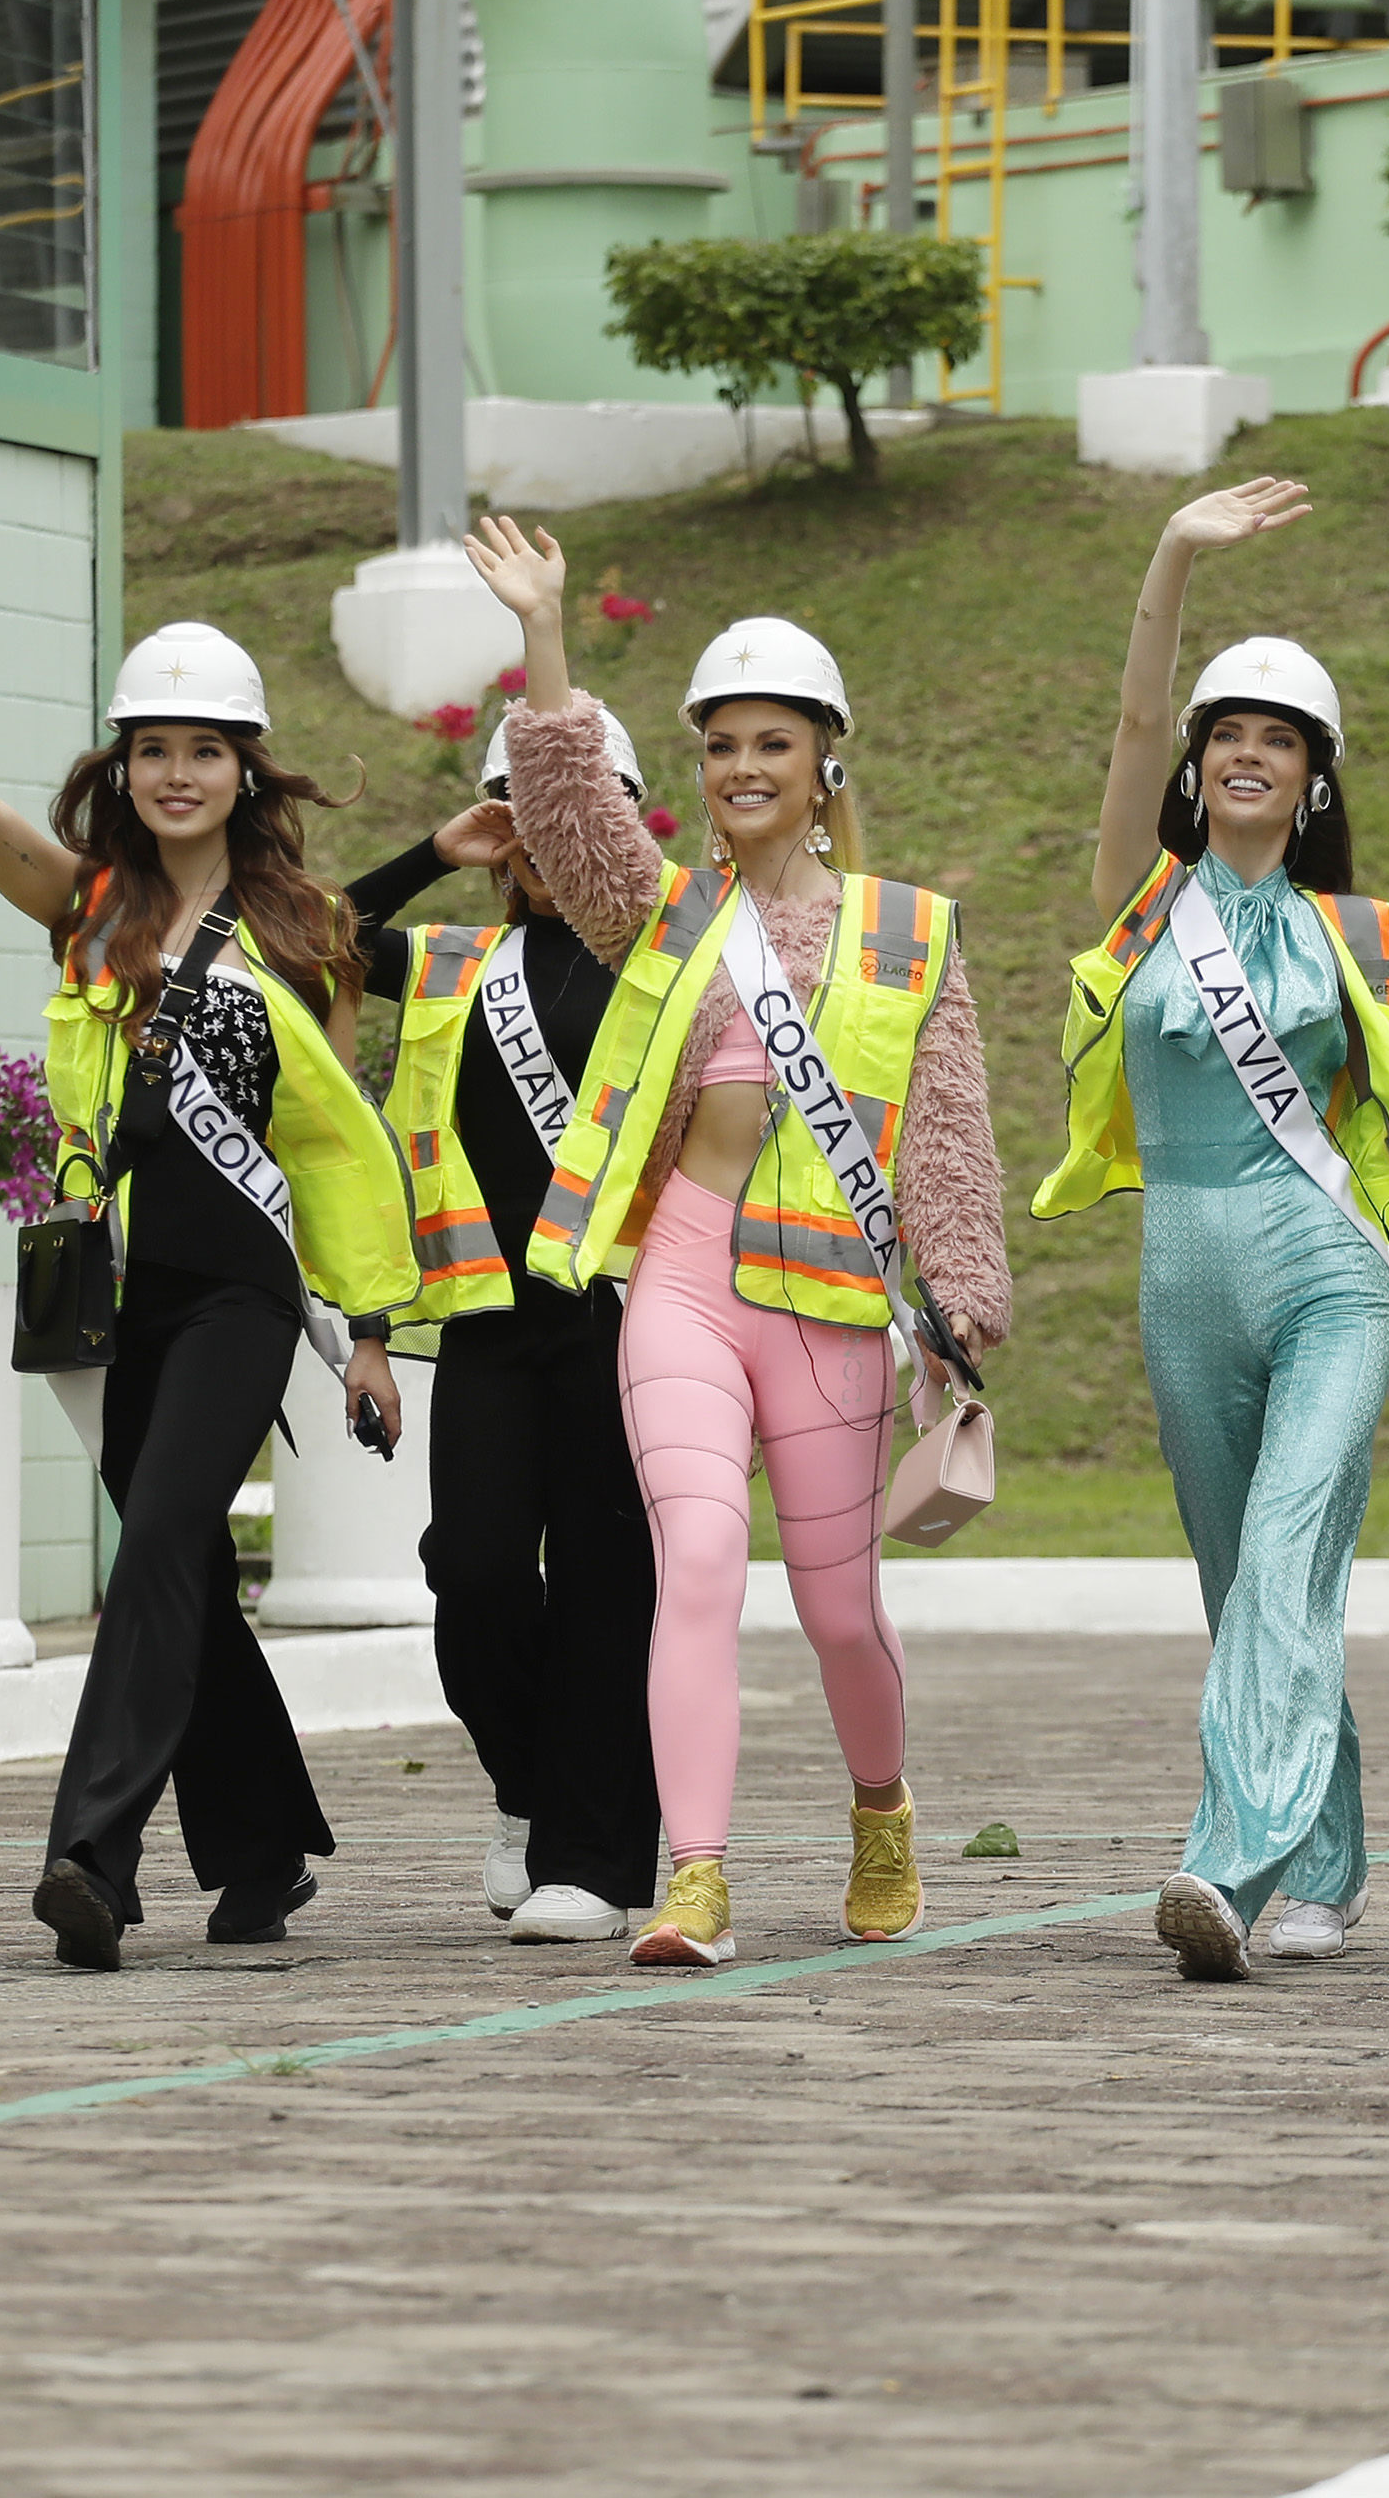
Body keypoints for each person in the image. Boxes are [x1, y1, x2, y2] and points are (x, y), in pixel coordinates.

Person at [469, 521, 1014, 1970]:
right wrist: (547, 637)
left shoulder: (909, 930)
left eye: (774, 740)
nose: (743, 766)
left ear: (827, 760)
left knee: (841, 1608)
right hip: (685, 1277)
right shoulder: (663, 913)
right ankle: (696, 1875)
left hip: (831, 1292)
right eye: (719, 744)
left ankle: (880, 1807)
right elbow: (572, 812)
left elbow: (949, 1129)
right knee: (698, 1558)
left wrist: (961, 1303)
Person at [0, 546, 413, 1974]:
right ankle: (262, 1852)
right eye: (152, 749)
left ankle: (94, 1855)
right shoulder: (90, 910)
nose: (178, 771)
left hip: (246, 1296)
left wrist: (365, 1324)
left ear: (246, 769)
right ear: (120, 766)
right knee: (180, 1553)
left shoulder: (303, 931)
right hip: (126, 1295)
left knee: (148, 1562)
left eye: (205, 749)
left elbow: (328, 1140)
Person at [1036, 483, 1389, 1981]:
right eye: (1226, 732)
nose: (1247, 751)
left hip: (1328, 1268)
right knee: (1252, 1585)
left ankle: (1226, 1860)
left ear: (1313, 778)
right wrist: (1172, 554)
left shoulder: (1354, 937)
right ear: (1197, 767)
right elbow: (1123, 728)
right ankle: (1334, 1859)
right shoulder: (1138, 909)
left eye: (1279, 738)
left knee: (1292, 1542)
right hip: (1183, 1268)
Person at [347, 704, 660, 1944]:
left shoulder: (666, 955)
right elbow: (280, 933)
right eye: (520, 818)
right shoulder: (447, 961)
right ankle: (525, 1783)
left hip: (622, 1316)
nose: (541, 840)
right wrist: (434, 850)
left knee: (604, 1586)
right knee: (471, 1574)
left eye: (571, 813)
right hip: (485, 1318)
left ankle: (590, 1855)